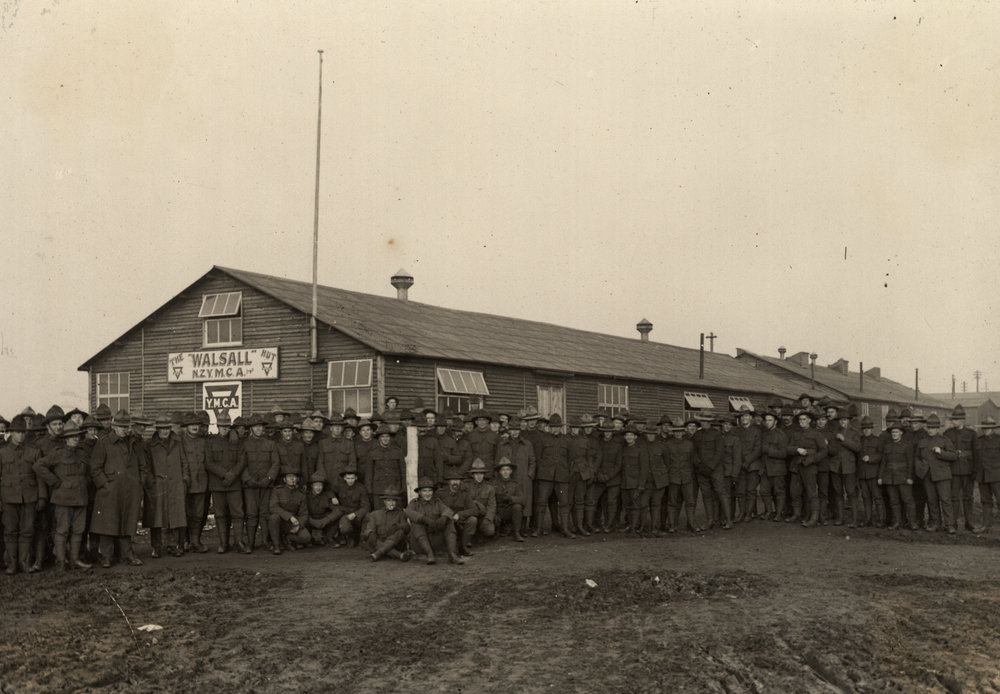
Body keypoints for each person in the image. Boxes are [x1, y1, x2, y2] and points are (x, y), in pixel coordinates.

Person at [89, 410, 149, 567]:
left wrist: (138, 483)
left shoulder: (134, 443)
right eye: (121, 426)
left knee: (128, 522)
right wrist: (105, 484)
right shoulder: (104, 443)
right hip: (110, 490)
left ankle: (127, 554)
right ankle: (106, 556)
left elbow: (143, 466)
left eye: (126, 426)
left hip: (130, 490)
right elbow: (95, 468)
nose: (124, 429)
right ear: (114, 426)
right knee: (108, 523)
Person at [34, 421, 94, 571]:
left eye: (77, 436)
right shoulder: (57, 453)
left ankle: (74, 560)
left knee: (78, 530)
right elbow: (38, 466)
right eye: (72, 436)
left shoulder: (83, 454)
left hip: (80, 497)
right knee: (62, 530)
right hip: (63, 498)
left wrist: (85, 483)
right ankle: (60, 562)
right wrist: (54, 481)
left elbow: (89, 472)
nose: (75, 439)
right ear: (66, 438)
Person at [143, 415, 188, 558]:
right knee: (156, 517)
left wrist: (185, 479)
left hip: (175, 484)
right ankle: (156, 547)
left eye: (167, 428)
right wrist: (151, 482)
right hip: (158, 486)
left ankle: (173, 545)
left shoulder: (177, 443)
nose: (165, 431)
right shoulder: (150, 444)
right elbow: (146, 466)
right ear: (157, 429)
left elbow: (184, 462)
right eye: (162, 428)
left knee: (174, 516)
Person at [205, 413, 247, 554]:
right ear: (217, 426)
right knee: (220, 514)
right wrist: (225, 474)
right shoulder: (210, 442)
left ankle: (239, 542)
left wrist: (232, 475)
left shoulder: (237, 442)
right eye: (222, 426)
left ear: (230, 427)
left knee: (238, 513)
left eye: (226, 426)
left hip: (234, 485)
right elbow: (208, 463)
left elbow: (241, 461)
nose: (224, 428)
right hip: (218, 484)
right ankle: (223, 543)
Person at [240, 414, 280, 552]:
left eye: (260, 426)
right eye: (255, 426)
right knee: (251, 514)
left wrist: (268, 479)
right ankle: (250, 543)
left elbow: (275, 463)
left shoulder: (270, 444)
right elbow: (241, 464)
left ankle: (265, 541)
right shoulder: (244, 444)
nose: (258, 429)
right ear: (251, 428)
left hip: (266, 485)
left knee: (265, 513)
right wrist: (247, 479)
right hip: (250, 486)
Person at [915, 413, 958, 534]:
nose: (930, 430)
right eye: (928, 427)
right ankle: (935, 523)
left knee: (945, 500)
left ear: (938, 428)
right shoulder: (922, 442)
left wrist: (941, 452)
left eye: (933, 428)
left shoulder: (945, 440)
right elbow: (917, 457)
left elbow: (954, 456)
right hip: (927, 475)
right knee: (932, 500)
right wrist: (920, 468)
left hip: (942, 475)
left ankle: (949, 525)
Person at [405, 477, 464, 565]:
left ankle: (452, 554)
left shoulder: (437, 502)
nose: (427, 494)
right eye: (424, 491)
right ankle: (429, 554)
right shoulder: (414, 503)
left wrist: (444, 518)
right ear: (419, 492)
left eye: (430, 491)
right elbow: (408, 512)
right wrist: (424, 519)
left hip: (436, 539)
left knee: (449, 521)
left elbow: (447, 510)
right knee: (416, 523)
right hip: (420, 544)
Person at [534, 413, 572, 538]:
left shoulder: (567, 440)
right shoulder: (542, 439)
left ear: (561, 427)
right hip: (546, 477)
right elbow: (538, 458)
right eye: (553, 427)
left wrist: (567, 473)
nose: (555, 429)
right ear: (549, 427)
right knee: (541, 502)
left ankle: (565, 529)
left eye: (558, 427)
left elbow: (570, 459)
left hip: (562, 476)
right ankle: (539, 529)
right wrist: (542, 472)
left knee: (564, 503)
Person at [786, 409, 826, 527]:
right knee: (794, 492)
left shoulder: (816, 434)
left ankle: (814, 518)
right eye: (800, 420)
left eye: (804, 419)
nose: (801, 421)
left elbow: (824, 451)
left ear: (809, 420)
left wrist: (812, 459)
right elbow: (788, 448)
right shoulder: (795, 434)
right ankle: (797, 514)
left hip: (809, 466)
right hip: (796, 466)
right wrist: (797, 449)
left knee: (811, 493)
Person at [693, 411, 733, 530]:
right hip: (701, 470)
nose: (704, 423)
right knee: (706, 495)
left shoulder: (717, 434)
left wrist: (711, 466)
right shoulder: (697, 435)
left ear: (710, 422)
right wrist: (699, 465)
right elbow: (693, 452)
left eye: (706, 421)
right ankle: (710, 520)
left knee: (721, 493)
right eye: (702, 421)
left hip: (715, 469)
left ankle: (728, 520)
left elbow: (719, 452)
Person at [943, 405, 980, 532]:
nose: (953, 422)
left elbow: (976, 454)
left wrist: (975, 471)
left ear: (962, 420)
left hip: (968, 470)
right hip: (953, 470)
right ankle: (952, 523)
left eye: (956, 419)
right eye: (953, 419)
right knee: (953, 497)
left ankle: (969, 523)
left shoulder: (972, 434)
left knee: (968, 497)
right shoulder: (947, 434)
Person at [497, 418, 535, 533]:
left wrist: (529, 475)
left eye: (517, 430)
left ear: (520, 430)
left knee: (524, 500)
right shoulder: (502, 445)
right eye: (512, 430)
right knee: (508, 498)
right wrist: (500, 476)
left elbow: (532, 461)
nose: (514, 432)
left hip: (523, 476)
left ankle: (522, 527)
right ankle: (509, 526)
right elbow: (498, 462)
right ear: (509, 430)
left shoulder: (527, 444)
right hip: (508, 476)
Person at [878, 422, 917, 530]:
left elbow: (910, 463)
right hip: (889, 477)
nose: (894, 434)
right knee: (894, 501)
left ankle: (912, 523)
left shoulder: (907, 445)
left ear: (901, 433)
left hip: (903, 477)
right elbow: (883, 463)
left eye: (896, 432)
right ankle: (897, 522)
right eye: (893, 432)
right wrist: (880, 477)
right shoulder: (887, 446)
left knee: (908, 500)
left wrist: (909, 477)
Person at [179, 412, 208, 553]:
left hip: (201, 482)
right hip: (186, 483)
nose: (195, 427)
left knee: (198, 514)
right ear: (186, 427)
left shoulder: (204, 442)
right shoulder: (180, 442)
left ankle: (195, 541)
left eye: (196, 424)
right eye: (191, 424)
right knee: (185, 513)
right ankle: (185, 541)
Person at [435, 470, 480, 556]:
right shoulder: (440, 493)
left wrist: (459, 515)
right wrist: (449, 515)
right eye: (453, 480)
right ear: (448, 481)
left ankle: (463, 546)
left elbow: (475, 510)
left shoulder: (464, 493)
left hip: (459, 520)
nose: (455, 482)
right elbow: (436, 508)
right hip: (446, 520)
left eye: (457, 480)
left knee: (473, 520)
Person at [363, 486, 413, 562]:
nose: (391, 503)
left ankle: (378, 553)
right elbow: (368, 530)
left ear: (396, 502)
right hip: (378, 543)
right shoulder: (375, 514)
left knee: (401, 532)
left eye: (394, 501)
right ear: (384, 501)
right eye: (389, 501)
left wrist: (398, 526)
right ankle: (400, 555)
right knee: (372, 537)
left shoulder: (401, 513)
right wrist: (370, 533)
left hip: (395, 544)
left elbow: (407, 528)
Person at [567, 415, 598, 535]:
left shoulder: (585, 440)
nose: (575, 430)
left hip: (582, 474)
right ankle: (568, 527)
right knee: (568, 501)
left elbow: (589, 458)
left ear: (579, 428)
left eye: (577, 428)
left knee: (579, 500)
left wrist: (590, 472)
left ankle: (579, 526)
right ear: (570, 428)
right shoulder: (565, 439)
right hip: (569, 473)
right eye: (573, 427)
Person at [268, 471, 312, 554]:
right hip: (280, 522)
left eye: (294, 477)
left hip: (293, 524)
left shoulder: (301, 494)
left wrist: (299, 525)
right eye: (289, 477)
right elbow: (273, 507)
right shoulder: (277, 490)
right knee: (274, 517)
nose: (292, 479)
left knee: (306, 537)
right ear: (284, 480)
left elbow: (304, 513)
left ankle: (288, 538)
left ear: (298, 479)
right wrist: (290, 517)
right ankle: (276, 545)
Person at [365, 426, 407, 510]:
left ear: (390, 438)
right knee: (379, 514)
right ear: (379, 438)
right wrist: (369, 491)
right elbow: (369, 474)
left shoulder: (398, 452)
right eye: (382, 437)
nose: (385, 439)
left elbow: (403, 471)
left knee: (396, 513)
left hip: (395, 489)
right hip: (379, 490)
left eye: (387, 436)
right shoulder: (372, 453)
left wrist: (403, 489)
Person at [759, 409, 789, 522]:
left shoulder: (781, 434)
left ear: (775, 421)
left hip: (777, 468)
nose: (767, 422)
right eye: (766, 420)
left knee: (779, 492)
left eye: (770, 420)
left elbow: (784, 453)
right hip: (765, 468)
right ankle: (769, 511)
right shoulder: (764, 434)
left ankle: (779, 513)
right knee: (764, 491)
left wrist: (769, 451)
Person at [735, 407, 762, 522]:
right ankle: (741, 513)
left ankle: (749, 514)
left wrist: (747, 462)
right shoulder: (736, 431)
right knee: (740, 491)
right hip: (740, 466)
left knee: (751, 490)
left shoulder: (757, 431)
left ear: (751, 417)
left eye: (746, 416)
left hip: (753, 466)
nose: (744, 418)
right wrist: (740, 462)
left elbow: (757, 449)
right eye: (742, 416)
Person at [331, 466, 369, 547]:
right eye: (348, 478)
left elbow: (366, 506)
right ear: (344, 478)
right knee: (344, 528)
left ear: (356, 478)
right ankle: (350, 536)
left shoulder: (361, 488)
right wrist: (333, 497)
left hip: (358, 513)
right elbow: (330, 491)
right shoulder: (340, 486)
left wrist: (355, 514)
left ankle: (362, 538)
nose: (350, 480)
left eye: (352, 478)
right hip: (346, 513)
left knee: (368, 517)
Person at [857, 416, 884, 527]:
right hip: (862, 474)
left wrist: (871, 458)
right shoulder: (859, 440)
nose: (866, 430)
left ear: (872, 428)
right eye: (864, 428)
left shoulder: (877, 440)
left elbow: (881, 456)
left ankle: (881, 520)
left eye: (868, 428)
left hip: (873, 474)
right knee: (866, 498)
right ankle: (868, 519)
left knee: (877, 498)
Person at [492, 458, 526, 542]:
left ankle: (516, 533)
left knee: (517, 507)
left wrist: (511, 498)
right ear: (500, 472)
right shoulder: (494, 483)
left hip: (508, 510)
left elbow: (522, 500)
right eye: (503, 470)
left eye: (507, 469)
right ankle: (497, 530)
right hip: (496, 510)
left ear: (511, 471)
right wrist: (494, 512)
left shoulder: (515, 484)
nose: (505, 472)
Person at [976, 417, 1000, 532]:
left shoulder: (998, 440)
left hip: (996, 476)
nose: (985, 430)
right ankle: (986, 525)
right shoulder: (979, 440)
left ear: (993, 428)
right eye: (984, 428)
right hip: (982, 476)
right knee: (985, 501)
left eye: (988, 428)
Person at [465, 459, 497, 543]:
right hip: (470, 515)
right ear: (472, 475)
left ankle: (480, 533)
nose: (479, 476)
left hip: (483, 515)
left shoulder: (490, 488)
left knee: (490, 531)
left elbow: (492, 505)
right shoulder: (466, 487)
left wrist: (488, 519)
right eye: (476, 474)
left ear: (484, 475)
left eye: (481, 474)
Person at [305, 471, 340, 546]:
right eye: (316, 485)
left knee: (337, 517)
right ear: (311, 486)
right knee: (302, 519)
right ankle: (309, 539)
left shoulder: (326, 495)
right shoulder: (305, 496)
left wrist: (326, 520)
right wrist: (313, 522)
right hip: (310, 519)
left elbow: (337, 510)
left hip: (323, 519)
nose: (318, 488)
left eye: (320, 485)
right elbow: (301, 512)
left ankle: (329, 538)